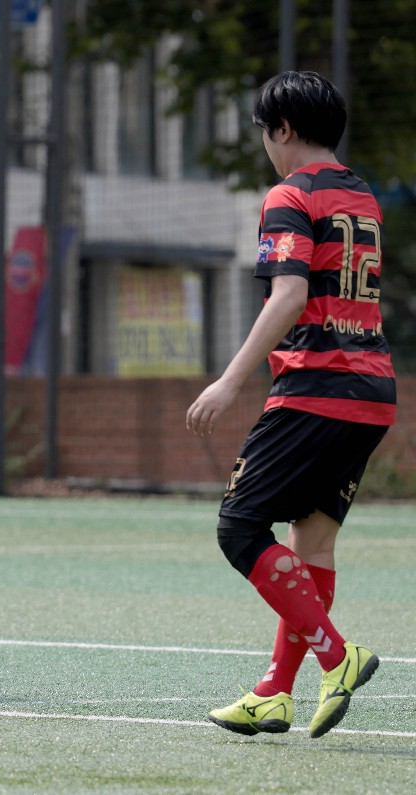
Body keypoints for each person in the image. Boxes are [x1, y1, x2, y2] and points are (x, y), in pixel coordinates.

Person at [186, 71, 394, 739]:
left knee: (239, 527)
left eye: (264, 132)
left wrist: (228, 381)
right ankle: (275, 692)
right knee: (313, 540)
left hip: (316, 388)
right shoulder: (361, 195)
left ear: (282, 129)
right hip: (372, 389)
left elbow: (289, 295)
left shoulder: (290, 194)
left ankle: (338, 657)